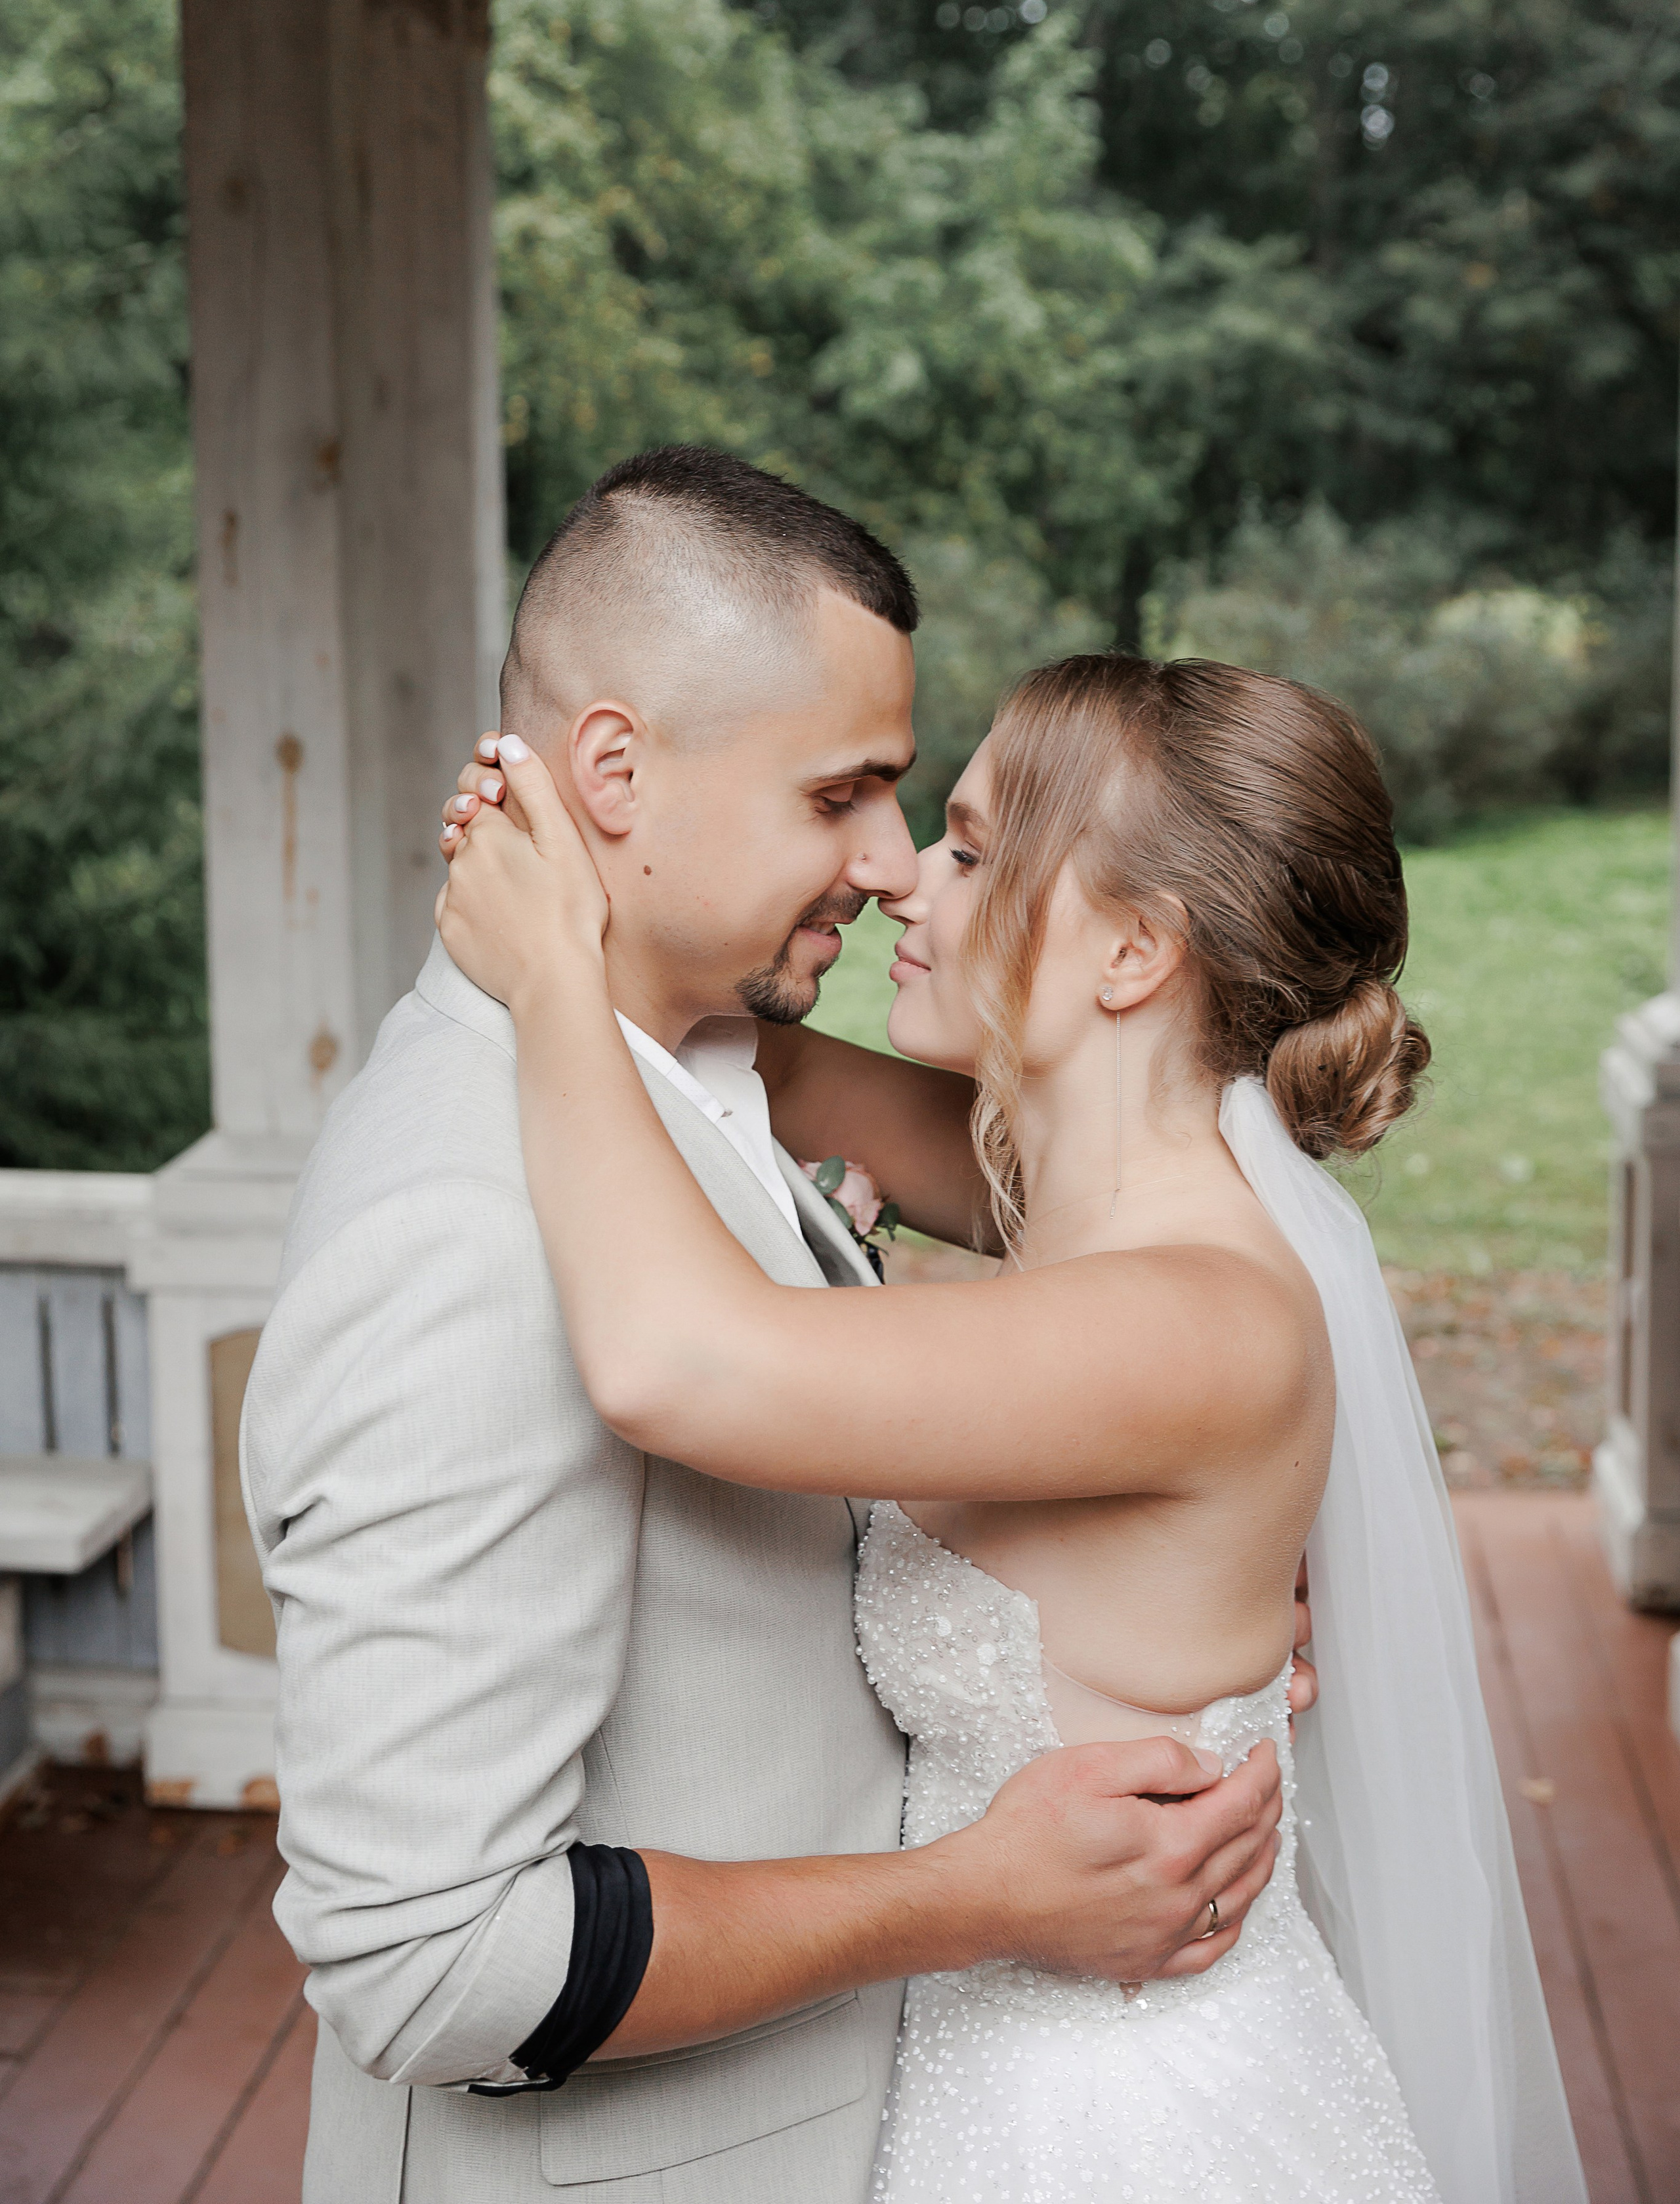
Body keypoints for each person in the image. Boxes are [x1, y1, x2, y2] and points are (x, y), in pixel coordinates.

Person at [243, 450, 1293, 2204]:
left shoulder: (709, 1067)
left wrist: (1189, 1605)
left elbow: (1114, 1227)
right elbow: (422, 1954)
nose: (889, 865)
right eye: (847, 794)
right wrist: (972, 1892)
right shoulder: (464, 1219)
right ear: (615, 773)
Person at [436, 641, 1589, 2204]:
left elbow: (675, 1367)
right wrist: (576, 849)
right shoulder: (1068, 1202)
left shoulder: (1195, 1318)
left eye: (972, 850)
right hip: (982, 2066)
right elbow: (742, 1043)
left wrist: (552, 976)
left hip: (1122, 2125)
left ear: (1129, 955)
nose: (908, 875)